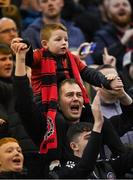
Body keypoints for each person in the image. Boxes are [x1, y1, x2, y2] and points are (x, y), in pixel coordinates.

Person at [11, 23, 123, 154]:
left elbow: (88, 73)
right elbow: (29, 58)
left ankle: (120, 152)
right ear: (45, 44)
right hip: (45, 102)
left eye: (66, 40)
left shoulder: (72, 58)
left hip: (66, 98)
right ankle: (55, 160)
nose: (64, 43)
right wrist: (25, 46)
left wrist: (105, 81)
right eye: (58, 40)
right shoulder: (40, 55)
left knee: (98, 117)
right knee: (57, 121)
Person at [92, 0, 133, 70]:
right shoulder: (101, 35)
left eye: (125, 5)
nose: (122, 8)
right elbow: (97, 58)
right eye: (116, 5)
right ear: (108, 13)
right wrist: (122, 42)